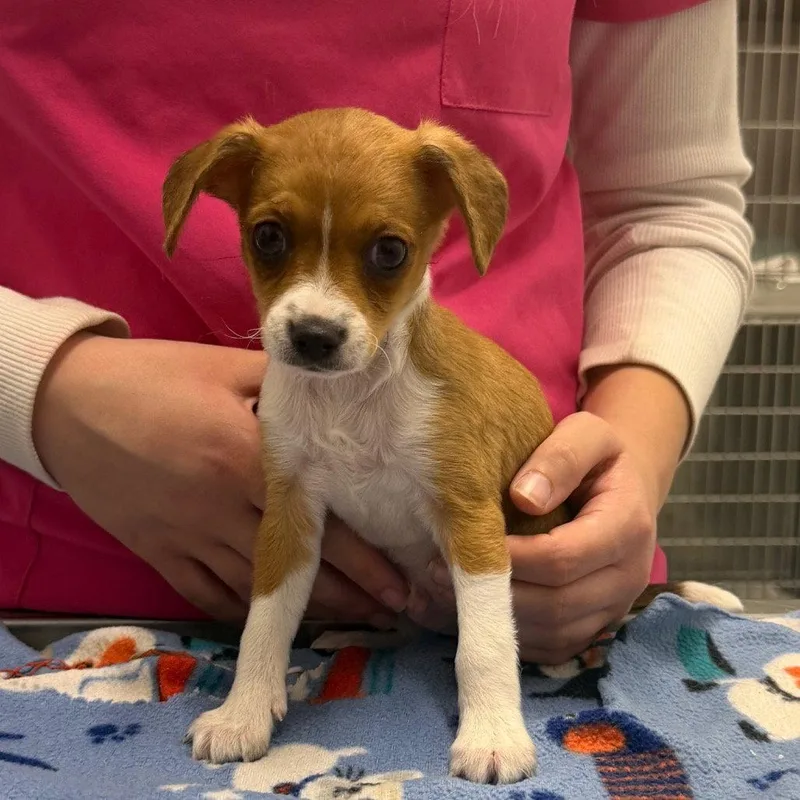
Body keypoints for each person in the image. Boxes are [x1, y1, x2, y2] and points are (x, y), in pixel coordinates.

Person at [0, 0, 752, 665]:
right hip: (73, 594)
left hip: (534, 594)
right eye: (270, 240)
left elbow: (671, 203)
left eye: (386, 253)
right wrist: (36, 382)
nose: (323, 311)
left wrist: (633, 470)